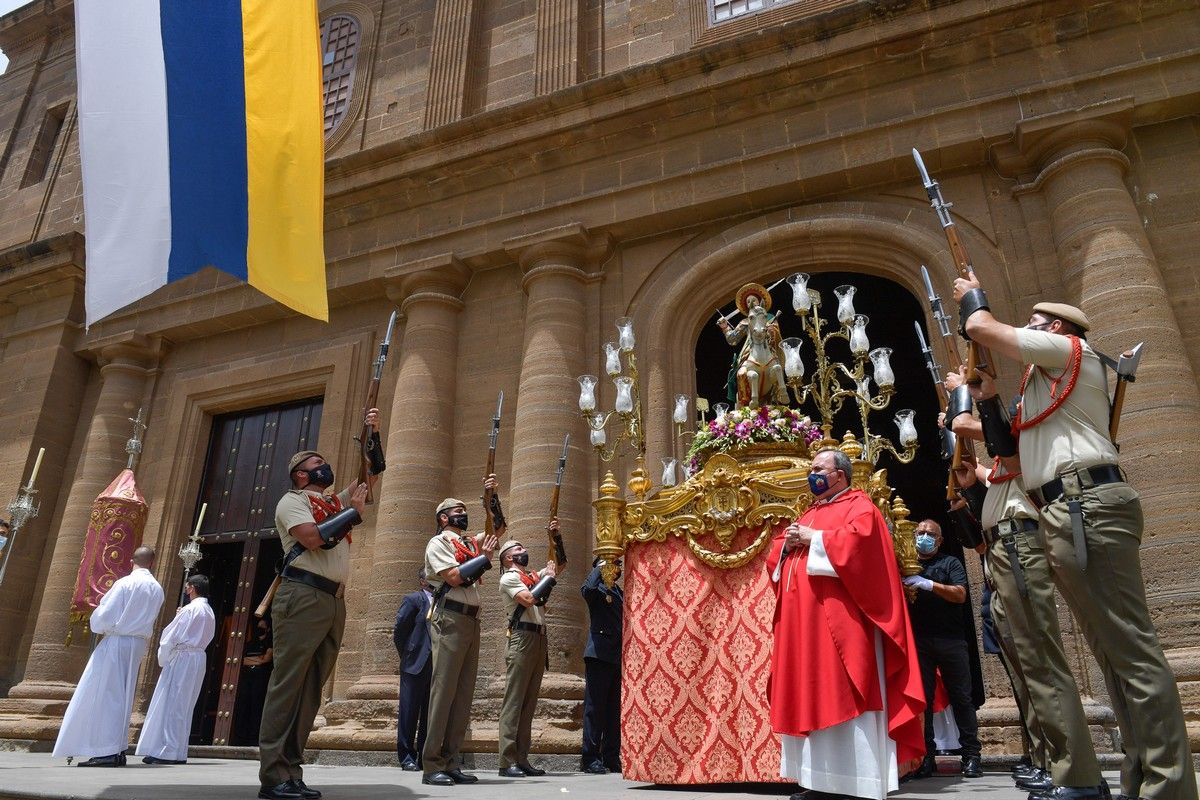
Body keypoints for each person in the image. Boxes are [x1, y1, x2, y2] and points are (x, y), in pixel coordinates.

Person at [954, 286, 1198, 800]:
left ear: (1057, 330)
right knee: (1113, 655)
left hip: (1087, 503)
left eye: (1035, 324)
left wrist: (972, 293)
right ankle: (1142, 778)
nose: (1029, 331)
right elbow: (1012, 459)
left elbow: (982, 328)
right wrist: (988, 396)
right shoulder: (1043, 389)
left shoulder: (1072, 352)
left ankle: (1170, 788)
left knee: (1131, 650)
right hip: (1065, 510)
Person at [947, 376, 1103, 798]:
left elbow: (993, 444)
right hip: (1005, 547)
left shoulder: (1021, 437)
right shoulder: (1006, 459)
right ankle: (1059, 764)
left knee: (1041, 660)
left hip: (1020, 542)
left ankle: (1075, 772)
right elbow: (997, 471)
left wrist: (963, 397)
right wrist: (971, 476)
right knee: (1030, 666)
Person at [765, 447, 925, 800]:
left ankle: (856, 782)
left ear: (840, 474)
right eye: (812, 468)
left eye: (819, 468)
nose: (813, 474)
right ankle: (816, 781)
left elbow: (861, 548)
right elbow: (777, 553)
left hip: (842, 625)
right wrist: (788, 544)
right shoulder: (809, 512)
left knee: (845, 692)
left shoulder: (861, 507)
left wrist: (814, 539)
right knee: (809, 693)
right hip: (804, 629)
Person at [258, 407, 378, 800]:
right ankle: (273, 776)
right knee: (288, 684)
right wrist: (353, 517)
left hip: (332, 600)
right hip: (302, 594)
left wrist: (371, 433)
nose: (326, 468)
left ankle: (292, 769)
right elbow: (312, 539)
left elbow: (369, 476)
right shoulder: (292, 502)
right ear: (301, 474)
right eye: (319, 465)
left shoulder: (331, 503)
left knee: (311, 688)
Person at [52, 546, 165, 767]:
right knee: (123, 695)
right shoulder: (157, 588)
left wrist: (97, 622)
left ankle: (106, 751)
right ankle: (117, 748)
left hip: (118, 640)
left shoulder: (125, 583)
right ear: (152, 563)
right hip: (138, 643)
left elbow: (105, 615)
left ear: (132, 560)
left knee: (107, 694)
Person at [421, 479, 500, 786]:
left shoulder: (468, 543)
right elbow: (453, 577)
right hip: (450, 617)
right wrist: (485, 560)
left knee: (464, 693)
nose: (463, 515)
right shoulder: (439, 542)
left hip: (471, 619)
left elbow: (496, 531)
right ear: (444, 517)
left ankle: (452, 760)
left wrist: (490, 498)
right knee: (444, 693)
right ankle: (432, 763)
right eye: (458, 511)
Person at [903, 520, 982, 779]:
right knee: (922, 700)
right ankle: (926, 758)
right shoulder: (906, 565)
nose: (924, 537)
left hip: (951, 640)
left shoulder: (951, 563)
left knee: (962, 698)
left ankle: (972, 756)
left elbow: (960, 594)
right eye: (920, 533)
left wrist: (928, 585)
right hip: (920, 642)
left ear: (939, 540)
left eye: (930, 534)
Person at [496, 526, 561, 777]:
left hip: (538, 638)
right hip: (522, 637)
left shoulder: (533, 576)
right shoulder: (509, 578)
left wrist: (556, 538)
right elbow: (529, 599)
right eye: (519, 549)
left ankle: (522, 758)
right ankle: (506, 761)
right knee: (514, 702)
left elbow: (558, 564)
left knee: (529, 702)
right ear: (508, 557)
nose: (525, 552)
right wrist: (549, 578)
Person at [135, 573, 217, 764]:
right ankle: (178, 751)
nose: (186, 590)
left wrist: (164, 656)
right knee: (185, 705)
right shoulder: (208, 610)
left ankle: (167, 751)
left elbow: (170, 636)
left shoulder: (190, 610)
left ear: (192, 588)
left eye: (188, 587)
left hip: (183, 657)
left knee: (173, 703)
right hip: (197, 657)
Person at [580, 557, 623, 775]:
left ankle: (611, 756)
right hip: (598, 655)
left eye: (617, 564)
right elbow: (586, 589)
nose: (616, 567)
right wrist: (599, 566)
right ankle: (589, 757)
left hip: (616, 657)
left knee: (614, 711)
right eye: (611, 563)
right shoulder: (595, 589)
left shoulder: (618, 592)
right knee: (594, 709)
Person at [718, 282, 789, 408]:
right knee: (741, 373)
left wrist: (771, 328)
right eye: (749, 301)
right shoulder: (745, 322)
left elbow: (775, 333)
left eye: (754, 300)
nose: (752, 302)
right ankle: (745, 399)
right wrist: (725, 327)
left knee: (777, 366)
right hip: (749, 351)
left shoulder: (770, 317)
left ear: (760, 301)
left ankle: (780, 392)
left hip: (768, 348)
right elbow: (732, 339)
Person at [393, 568, 433, 771]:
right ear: (422, 582)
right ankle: (407, 756)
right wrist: (408, 654)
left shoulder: (444, 601)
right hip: (414, 662)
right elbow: (400, 630)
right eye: (430, 576)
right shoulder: (413, 599)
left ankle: (424, 755)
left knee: (429, 713)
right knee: (409, 711)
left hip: (436, 665)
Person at [235, 618, 274, 746]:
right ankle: (241, 738)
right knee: (244, 705)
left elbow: (266, 659)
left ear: (268, 629)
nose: (260, 629)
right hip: (248, 677)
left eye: (262, 627)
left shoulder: (270, 643)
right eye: (258, 626)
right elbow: (244, 660)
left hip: (261, 678)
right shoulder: (250, 643)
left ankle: (254, 738)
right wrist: (259, 660)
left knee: (257, 707)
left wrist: (256, 660)